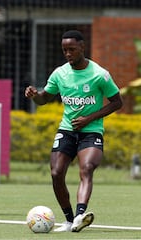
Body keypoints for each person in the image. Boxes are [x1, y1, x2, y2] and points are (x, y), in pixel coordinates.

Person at [25, 30, 123, 232]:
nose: (68, 54)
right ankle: (69, 220)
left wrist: (89, 118)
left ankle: (80, 215)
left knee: (86, 168)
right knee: (56, 173)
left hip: (92, 131)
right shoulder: (60, 74)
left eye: (71, 49)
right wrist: (35, 95)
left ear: (82, 47)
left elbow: (117, 102)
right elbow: (45, 99)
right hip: (67, 130)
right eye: (64, 50)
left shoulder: (99, 75)